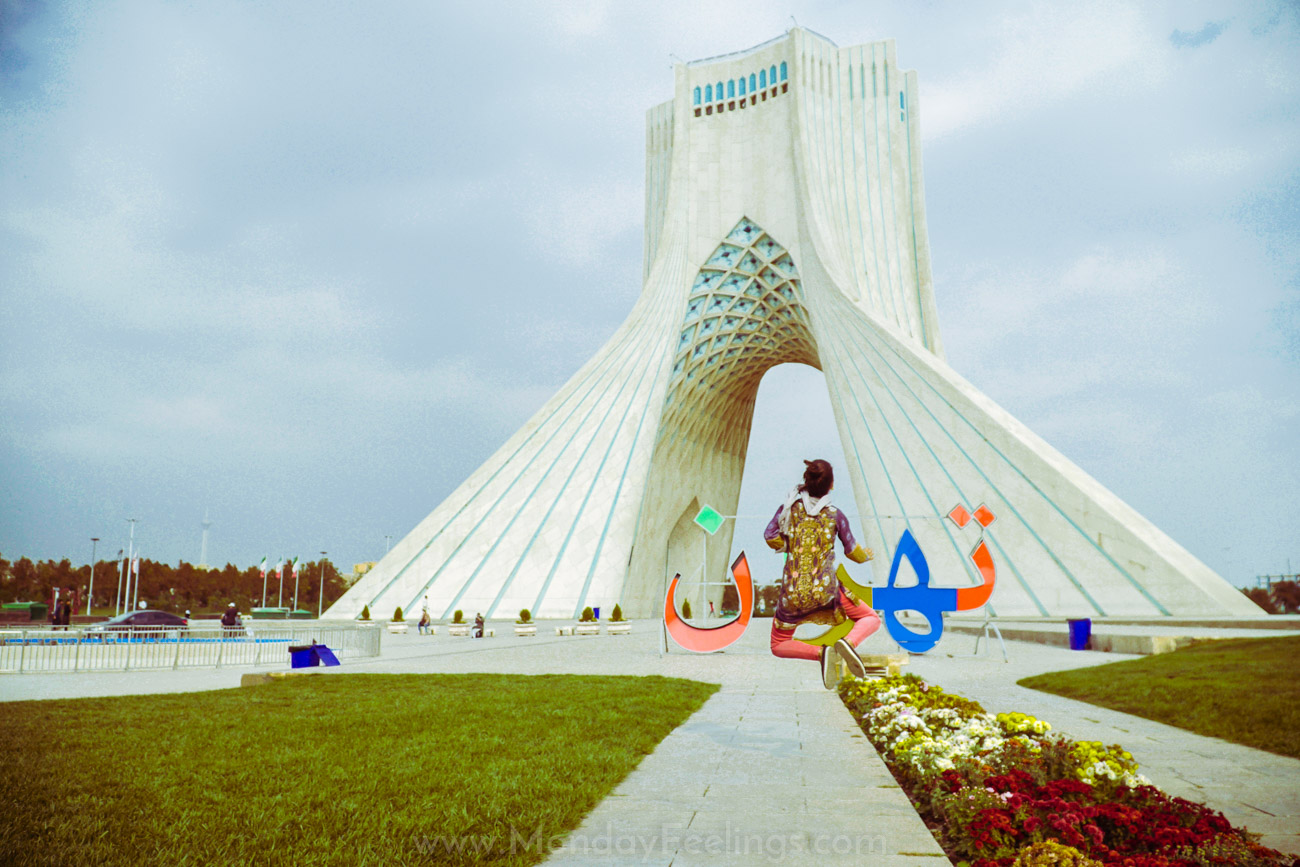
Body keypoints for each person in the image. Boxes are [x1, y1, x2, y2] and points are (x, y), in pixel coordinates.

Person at [764, 459, 880, 688]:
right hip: (826, 591)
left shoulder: (789, 509)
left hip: (792, 594)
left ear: (805, 482)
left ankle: (821, 653)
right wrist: (866, 555)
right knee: (870, 618)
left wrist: (789, 544)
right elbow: (852, 553)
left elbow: (770, 536)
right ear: (831, 486)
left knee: (779, 645)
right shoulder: (835, 515)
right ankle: (847, 644)